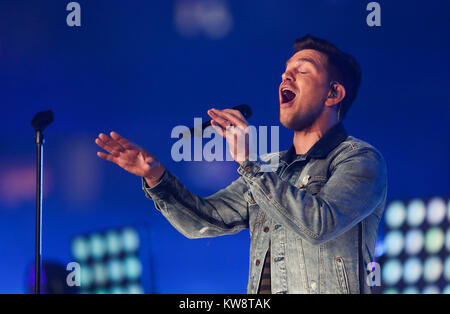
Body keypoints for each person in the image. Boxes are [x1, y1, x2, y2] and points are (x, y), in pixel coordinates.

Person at [95, 34, 387, 294]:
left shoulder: (360, 160)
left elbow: (319, 225)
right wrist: (155, 176)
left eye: (302, 71)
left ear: (333, 93)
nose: (286, 78)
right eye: (285, 72)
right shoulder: (269, 168)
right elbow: (204, 221)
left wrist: (248, 162)